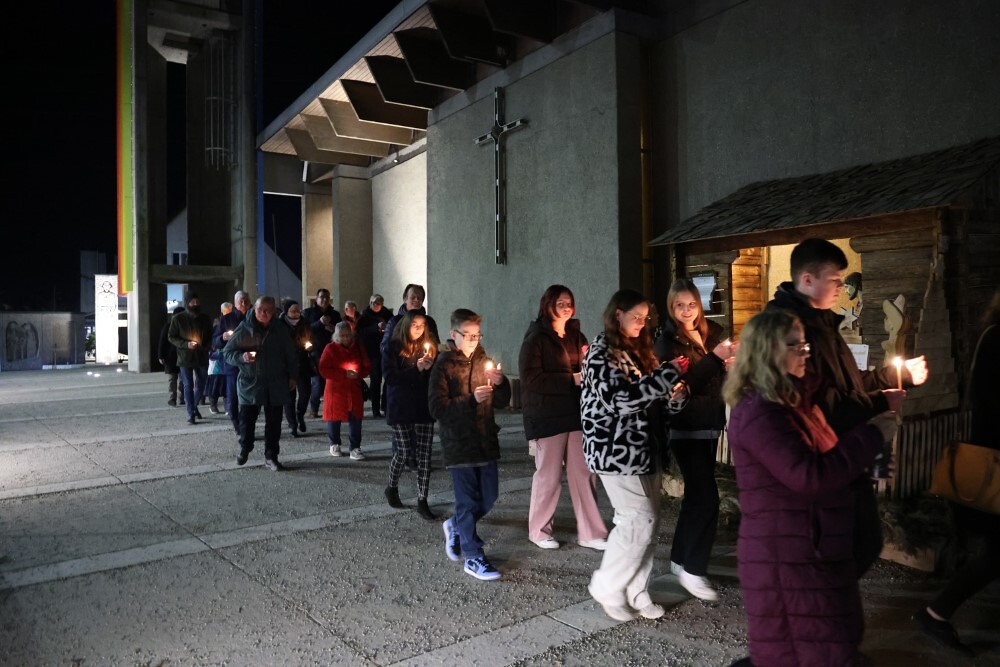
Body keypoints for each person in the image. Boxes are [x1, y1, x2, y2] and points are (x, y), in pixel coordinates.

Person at [724, 309, 898, 667]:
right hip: (786, 557)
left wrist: (863, 462)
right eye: (795, 345)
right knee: (806, 650)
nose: (806, 352)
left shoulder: (795, 402)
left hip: (809, 547)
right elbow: (809, 477)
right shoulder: (761, 413)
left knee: (824, 644)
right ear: (766, 351)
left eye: (805, 344)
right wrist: (871, 436)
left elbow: (823, 456)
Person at [767, 238, 924, 576]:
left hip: (843, 451)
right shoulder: (790, 331)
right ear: (807, 279)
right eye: (834, 279)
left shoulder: (824, 323)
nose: (841, 286)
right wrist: (881, 401)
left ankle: (828, 600)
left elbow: (846, 383)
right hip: (821, 457)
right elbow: (820, 403)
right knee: (843, 548)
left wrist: (894, 376)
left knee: (862, 543)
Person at [582, 289, 689, 621]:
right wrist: (666, 376)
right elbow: (619, 400)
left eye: (645, 318)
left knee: (649, 524)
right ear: (618, 314)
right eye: (636, 317)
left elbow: (655, 400)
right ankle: (607, 586)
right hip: (614, 450)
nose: (642, 323)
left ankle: (636, 590)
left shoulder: (640, 351)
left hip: (646, 447)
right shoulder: (601, 353)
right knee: (636, 520)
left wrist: (675, 396)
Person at [913, 287, 1000, 656]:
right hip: (995, 459)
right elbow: (991, 404)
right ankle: (935, 613)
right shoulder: (996, 339)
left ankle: (936, 613)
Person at [653, 278, 735, 601]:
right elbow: (680, 385)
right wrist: (714, 359)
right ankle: (694, 569)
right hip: (684, 426)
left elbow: (714, 379)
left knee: (695, 496)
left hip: (709, 423)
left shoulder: (712, 335)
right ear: (671, 308)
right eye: (679, 306)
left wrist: (728, 366)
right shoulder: (667, 343)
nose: (686, 311)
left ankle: (679, 559)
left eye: (691, 304)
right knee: (707, 498)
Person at [519, 284, 608, 551]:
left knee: (585, 473)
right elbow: (531, 379)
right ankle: (539, 530)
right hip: (547, 415)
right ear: (548, 305)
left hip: (577, 414)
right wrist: (571, 379)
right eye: (560, 303)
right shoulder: (536, 338)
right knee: (549, 476)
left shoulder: (576, 336)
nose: (567, 307)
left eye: (569, 303)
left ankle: (590, 532)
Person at [429, 308, 511, 581]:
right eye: (468, 335)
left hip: (484, 440)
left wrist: (501, 384)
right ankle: (473, 556)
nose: (474, 340)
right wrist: (471, 400)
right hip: (459, 443)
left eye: (477, 335)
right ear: (454, 335)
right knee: (467, 501)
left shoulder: (483, 359)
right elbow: (437, 408)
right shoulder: (443, 366)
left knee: (488, 497)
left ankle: (455, 525)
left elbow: (501, 402)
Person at [222, 296, 299, 471]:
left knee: (274, 423)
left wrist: (293, 376)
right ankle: (245, 447)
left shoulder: (280, 329)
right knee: (247, 420)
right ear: (254, 309)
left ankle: (271, 456)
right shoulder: (245, 328)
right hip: (251, 382)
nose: (263, 313)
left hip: (275, 381)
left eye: (268, 310)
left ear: (274, 311)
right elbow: (227, 353)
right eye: (260, 310)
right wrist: (242, 357)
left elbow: (291, 354)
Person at [383, 310, 438, 519]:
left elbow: (434, 377)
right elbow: (390, 377)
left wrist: (430, 368)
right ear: (406, 325)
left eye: (422, 325)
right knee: (404, 451)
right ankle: (391, 487)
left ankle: (422, 499)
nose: (419, 328)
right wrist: (416, 368)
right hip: (401, 406)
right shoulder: (392, 347)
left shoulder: (429, 347)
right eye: (415, 324)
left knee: (424, 455)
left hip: (423, 406)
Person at [382, 284, 441, 468]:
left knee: (422, 434)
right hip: (401, 391)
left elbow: (434, 346)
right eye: (413, 297)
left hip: (421, 389)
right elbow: (388, 355)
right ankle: (402, 460)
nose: (416, 300)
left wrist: (432, 359)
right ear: (405, 298)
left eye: (420, 297)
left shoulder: (428, 322)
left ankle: (418, 462)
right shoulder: (395, 323)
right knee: (403, 436)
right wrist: (412, 364)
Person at [318, 322, 371, 460]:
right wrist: (343, 374)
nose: (345, 338)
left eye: (347, 335)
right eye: (342, 336)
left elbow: (366, 366)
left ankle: (355, 447)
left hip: (354, 388)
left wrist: (358, 374)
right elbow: (323, 369)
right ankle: (334, 443)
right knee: (334, 418)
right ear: (336, 336)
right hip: (335, 389)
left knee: (356, 418)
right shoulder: (330, 348)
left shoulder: (358, 347)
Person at [168, 291, 213, 425]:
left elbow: (210, 335)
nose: (195, 304)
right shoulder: (178, 319)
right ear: (187, 303)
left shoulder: (205, 318)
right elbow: (171, 336)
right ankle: (190, 413)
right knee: (188, 385)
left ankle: (193, 407)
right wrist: (185, 344)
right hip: (185, 356)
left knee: (202, 383)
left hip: (201, 355)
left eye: (197, 302)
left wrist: (206, 347)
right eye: (193, 302)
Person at [214, 290, 251, 434]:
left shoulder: (254, 316)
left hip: (251, 363)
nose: (244, 303)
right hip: (233, 364)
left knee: (249, 397)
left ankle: (247, 425)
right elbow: (215, 341)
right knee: (233, 396)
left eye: (246, 300)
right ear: (235, 303)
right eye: (241, 301)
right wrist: (222, 337)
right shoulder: (226, 319)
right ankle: (236, 423)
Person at [304, 288, 342, 418]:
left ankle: (332, 407)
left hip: (332, 351)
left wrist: (334, 329)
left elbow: (340, 330)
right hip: (315, 351)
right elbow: (305, 330)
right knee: (317, 382)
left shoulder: (335, 314)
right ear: (317, 298)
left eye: (327, 297)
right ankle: (314, 409)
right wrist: (319, 323)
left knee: (331, 381)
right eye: (322, 297)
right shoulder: (308, 313)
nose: (325, 299)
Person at [280, 300, 312, 437]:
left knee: (305, 393)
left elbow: (311, 338)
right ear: (286, 312)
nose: (296, 313)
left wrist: (309, 346)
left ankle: (300, 414)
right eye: (293, 311)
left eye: (298, 310)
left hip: (302, 362)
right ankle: (292, 424)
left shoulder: (305, 323)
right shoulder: (280, 324)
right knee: (289, 397)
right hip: (286, 365)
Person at [358, 294, 393, 418]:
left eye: (379, 303)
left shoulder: (387, 314)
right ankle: (375, 408)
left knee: (388, 377)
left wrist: (386, 329)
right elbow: (360, 332)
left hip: (386, 350)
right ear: (370, 303)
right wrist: (375, 327)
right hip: (372, 351)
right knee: (376, 379)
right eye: (374, 303)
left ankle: (386, 405)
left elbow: (393, 327)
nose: (376, 305)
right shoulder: (365, 316)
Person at [207, 302, 233, 414]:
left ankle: (228, 406)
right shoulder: (218, 324)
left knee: (228, 384)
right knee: (216, 384)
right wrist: (222, 339)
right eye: (226, 311)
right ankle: (213, 404)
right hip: (219, 359)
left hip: (230, 358)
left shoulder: (236, 321)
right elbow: (214, 341)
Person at [158, 306, 185, 406]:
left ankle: (180, 398)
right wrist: (161, 356)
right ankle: (173, 398)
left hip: (180, 356)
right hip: (171, 357)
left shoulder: (184, 327)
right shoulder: (168, 326)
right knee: (174, 379)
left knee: (181, 379)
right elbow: (162, 341)